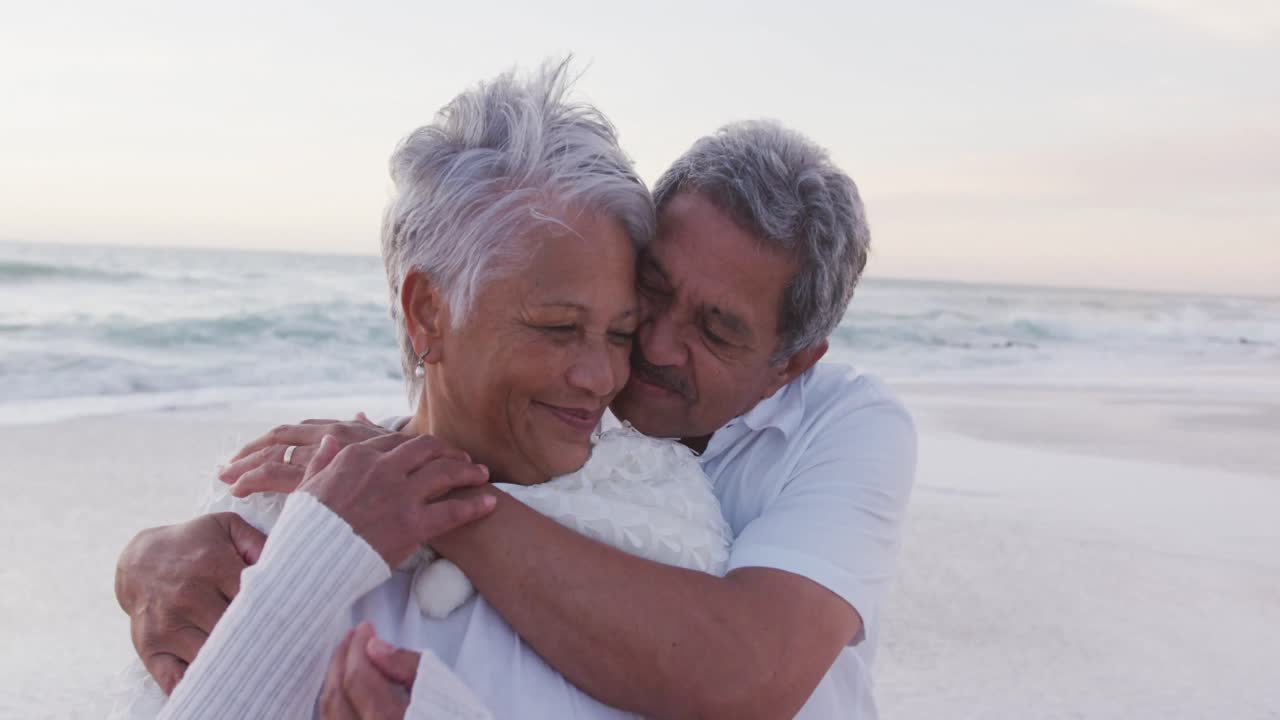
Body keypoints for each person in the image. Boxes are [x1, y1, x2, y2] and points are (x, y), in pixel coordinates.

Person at [117, 86, 918, 719]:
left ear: (791, 364)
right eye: (646, 296)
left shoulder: (809, 447)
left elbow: (742, 674)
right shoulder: (345, 481)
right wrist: (145, 560)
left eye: (715, 330)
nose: (643, 350)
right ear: (427, 313)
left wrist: (421, 494)